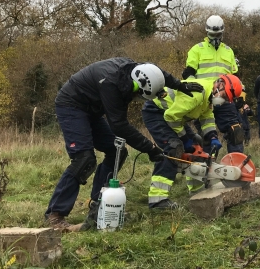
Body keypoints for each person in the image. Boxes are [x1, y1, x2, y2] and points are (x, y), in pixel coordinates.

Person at [45, 58, 203, 231]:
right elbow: (119, 125)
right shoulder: (111, 84)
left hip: (92, 108)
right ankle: (55, 215)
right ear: (138, 88)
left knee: (115, 151)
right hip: (72, 104)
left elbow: (159, 74)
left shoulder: (141, 70)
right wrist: (149, 148)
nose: (138, 99)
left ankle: (99, 204)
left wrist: (181, 86)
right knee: (84, 159)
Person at [142, 74, 243, 209]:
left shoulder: (209, 95)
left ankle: (197, 191)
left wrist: (212, 136)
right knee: (174, 148)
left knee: (197, 144)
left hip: (174, 116)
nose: (222, 100)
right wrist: (184, 139)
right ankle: (158, 200)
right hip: (157, 112)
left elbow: (206, 117)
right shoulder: (197, 93)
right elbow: (171, 117)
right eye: (224, 97)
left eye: (226, 100)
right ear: (220, 84)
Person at [182, 15, 244, 153]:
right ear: (207, 32)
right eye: (212, 34)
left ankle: (237, 165)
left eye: (218, 34)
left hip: (223, 98)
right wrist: (195, 90)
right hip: (203, 98)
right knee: (206, 136)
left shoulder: (228, 51)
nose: (215, 37)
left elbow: (235, 77)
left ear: (222, 33)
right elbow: (188, 73)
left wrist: (239, 96)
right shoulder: (197, 49)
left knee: (235, 131)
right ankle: (205, 168)